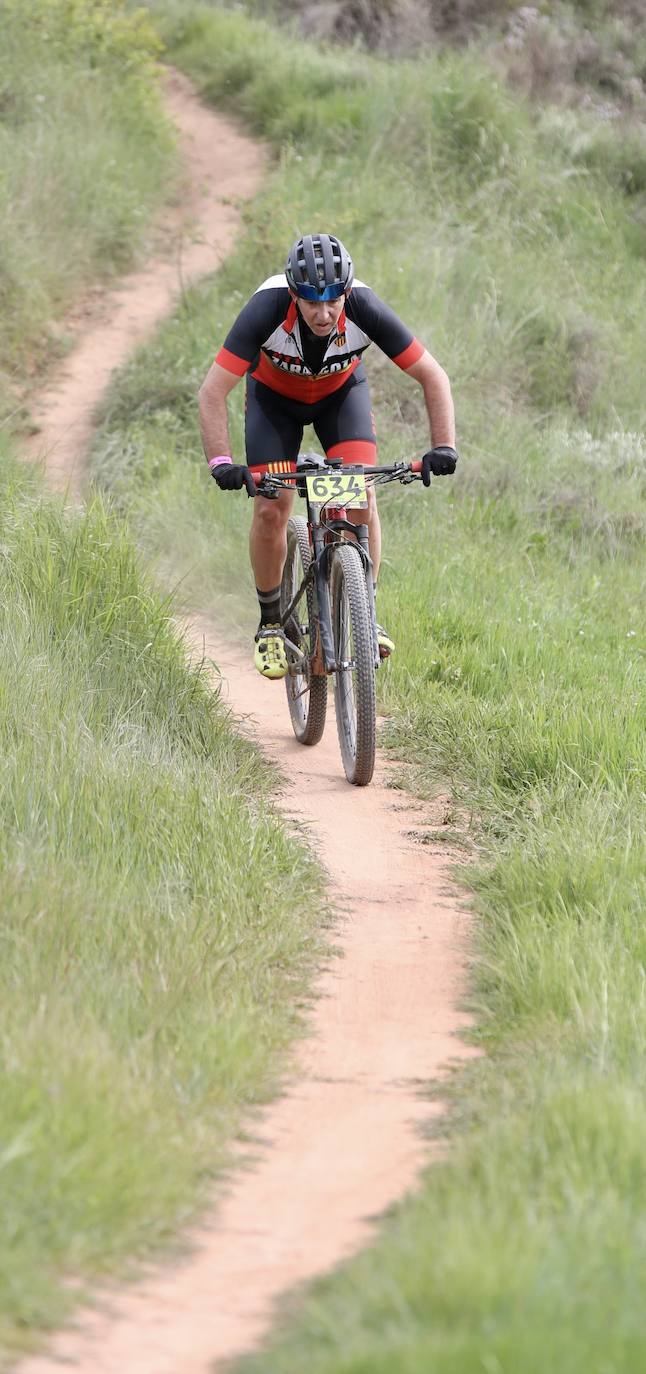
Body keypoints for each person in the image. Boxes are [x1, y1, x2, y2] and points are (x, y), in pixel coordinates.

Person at [198, 232, 458, 680]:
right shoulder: (266, 307)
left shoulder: (364, 308)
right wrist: (222, 463)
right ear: (294, 295)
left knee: (360, 495)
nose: (323, 313)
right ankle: (271, 624)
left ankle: (364, 611)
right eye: (312, 302)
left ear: (347, 292)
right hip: (273, 405)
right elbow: (212, 393)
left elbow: (433, 376)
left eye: (333, 301)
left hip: (341, 400)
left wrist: (443, 446)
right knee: (270, 509)